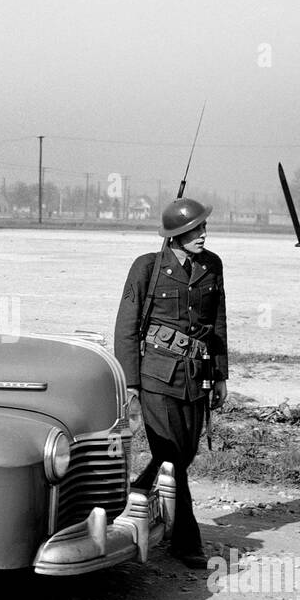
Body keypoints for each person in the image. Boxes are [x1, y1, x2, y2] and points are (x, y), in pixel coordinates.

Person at [114, 196, 228, 569]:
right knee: (174, 458)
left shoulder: (212, 266)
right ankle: (185, 541)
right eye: (194, 230)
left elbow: (218, 324)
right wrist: (131, 383)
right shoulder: (148, 267)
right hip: (157, 376)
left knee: (182, 454)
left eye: (203, 227)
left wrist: (220, 374)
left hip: (196, 377)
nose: (202, 235)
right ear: (176, 235)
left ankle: (132, 495)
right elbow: (127, 327)